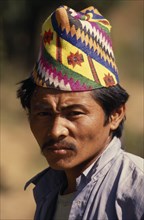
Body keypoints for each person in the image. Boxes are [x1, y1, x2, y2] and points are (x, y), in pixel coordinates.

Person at [17, 5, 144, 220]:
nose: (56, 131)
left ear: (115, 114)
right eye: (43, 114)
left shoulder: (137, 190)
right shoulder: (48, 192)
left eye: (74, 113)